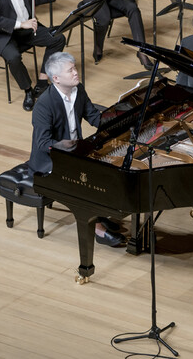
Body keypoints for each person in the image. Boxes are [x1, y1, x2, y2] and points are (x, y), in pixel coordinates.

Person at [27, 52, 124, 247]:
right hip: (50, 160)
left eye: (75, 68)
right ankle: (97, 229)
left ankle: (99, 212)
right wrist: (70, 147)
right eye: (70, 70)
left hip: (75, 151)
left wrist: (119, 118)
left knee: (107, 169)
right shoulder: (44, 105)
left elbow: (94, 117)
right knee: (86, 180)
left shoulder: (78, 90)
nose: (75, 73)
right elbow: (42, 143)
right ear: (56, 78)